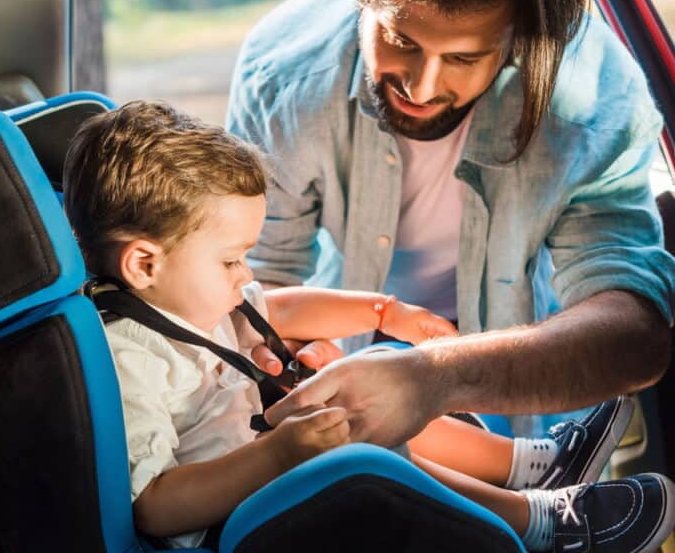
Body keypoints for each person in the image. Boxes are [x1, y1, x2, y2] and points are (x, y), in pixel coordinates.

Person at [62, 100, 675, 552]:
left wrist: (384, 313)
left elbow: (276, 308)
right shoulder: (129, 359)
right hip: (234, 514)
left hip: (265, 447)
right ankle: (541, 525)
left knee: (363, 382)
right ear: (144, 262)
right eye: (230, 260)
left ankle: (533, 463)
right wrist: (283, 452)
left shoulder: (186, 295)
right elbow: (154, 507)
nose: (244, 272)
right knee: (362, 435)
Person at [226, 0, 675, 444]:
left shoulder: (592, 100)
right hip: (342, 328)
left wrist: (433, 377)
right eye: (400, 40)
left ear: (518, 39)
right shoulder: (284, 74)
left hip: (530, 339)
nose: (421, 89)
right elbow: (258, 275)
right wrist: (286, 351)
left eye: (463, 58)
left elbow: (635, 331)